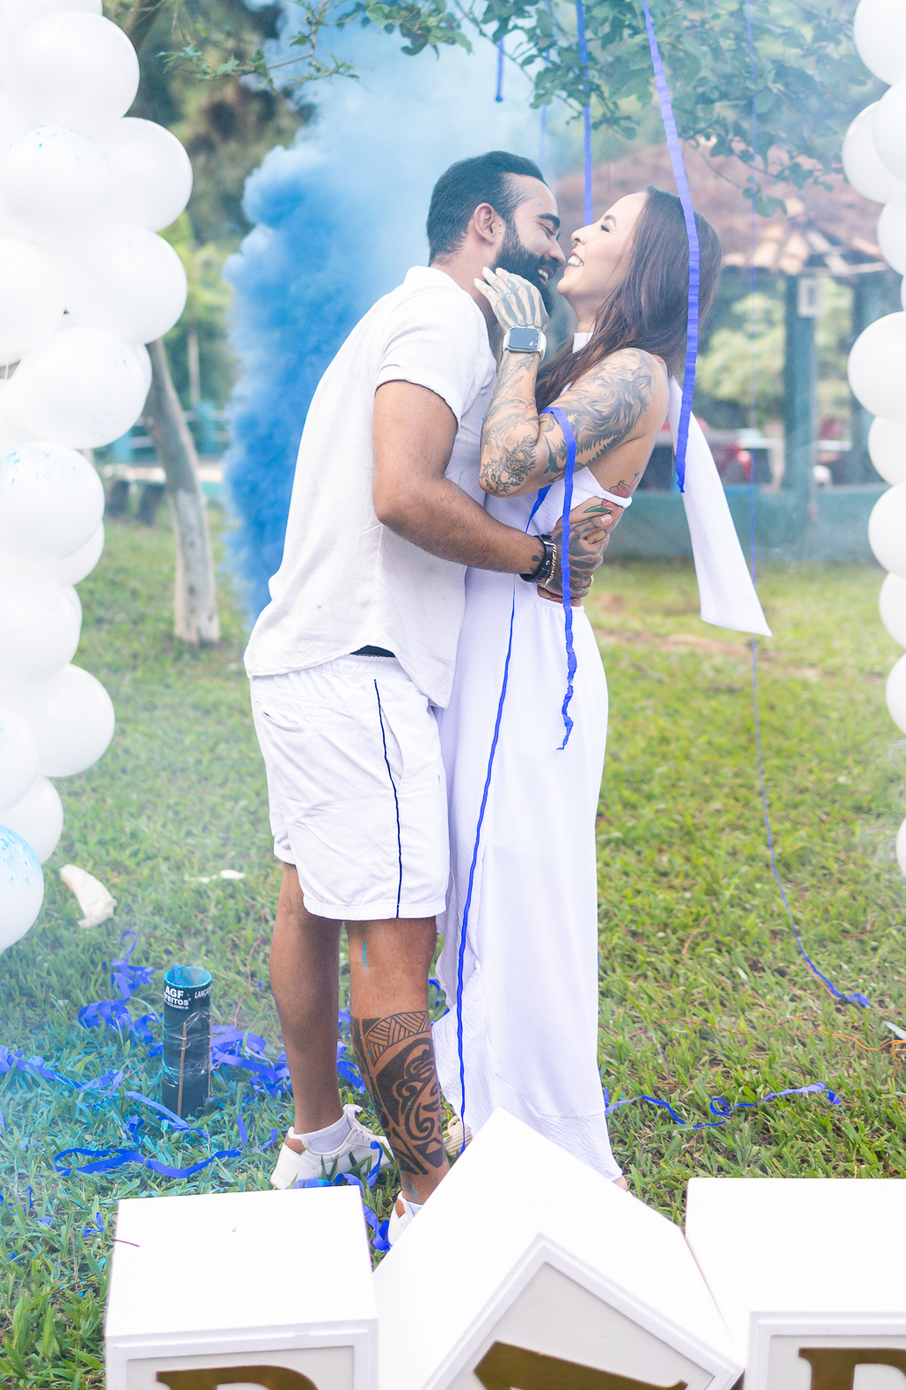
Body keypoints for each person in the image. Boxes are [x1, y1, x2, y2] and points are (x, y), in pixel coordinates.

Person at [243, 151, 617, 1233]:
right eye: (547, 225)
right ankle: (429, 1198)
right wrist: (536, 560)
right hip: (365, 667)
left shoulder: (415, 319)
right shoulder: (445, 320)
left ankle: (319, 1138)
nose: (560, 245)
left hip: (315, 656)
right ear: (487, 227)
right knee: (395, 940)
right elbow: (403, 494)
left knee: (313, 899)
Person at [433, 186, 722, 1184]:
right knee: (477, 891)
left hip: (529, 657)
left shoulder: (636, 373)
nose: (581, 235)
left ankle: (538, 1145)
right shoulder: (587, 358)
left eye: (605, 227)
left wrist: (520, 345)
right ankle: (477, 1106)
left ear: (643, 264)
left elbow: (509, 466)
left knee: (520, 899)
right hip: (491, 639)